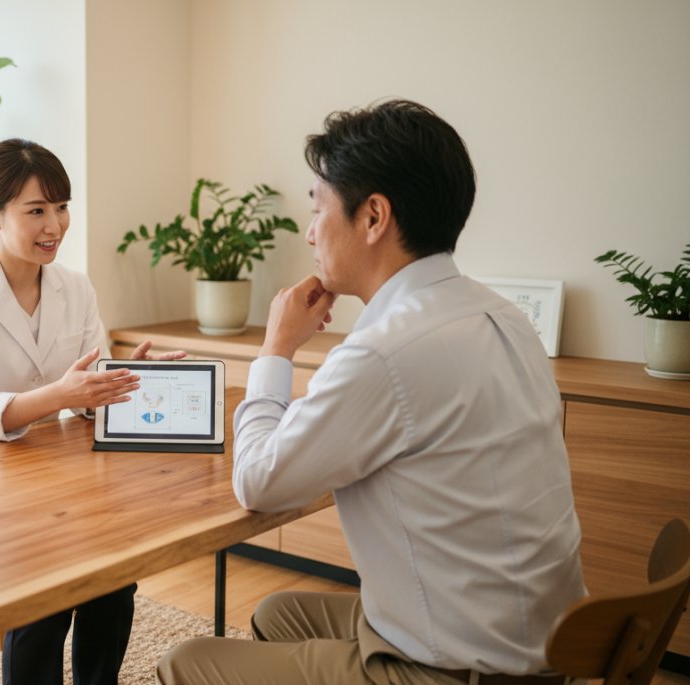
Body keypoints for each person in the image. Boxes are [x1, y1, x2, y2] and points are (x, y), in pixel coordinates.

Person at [157, 100, 586, 685]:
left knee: (185, 663)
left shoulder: (384, 351)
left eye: (318, 208)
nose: (310, 232)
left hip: (457, 670)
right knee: (278, 612)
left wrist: (276, 348)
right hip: (547, 644)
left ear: (374, 216)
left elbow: (258, 482)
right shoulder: (502, 315)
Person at [0, 137, 183, 685]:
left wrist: (117, 380)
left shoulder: (75, 287)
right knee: (45, 593)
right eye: (36, 211)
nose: (55, 226)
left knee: (113, 576)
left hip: (47, 478)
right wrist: (63, 395)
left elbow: (85, 396)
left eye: (61, 207)